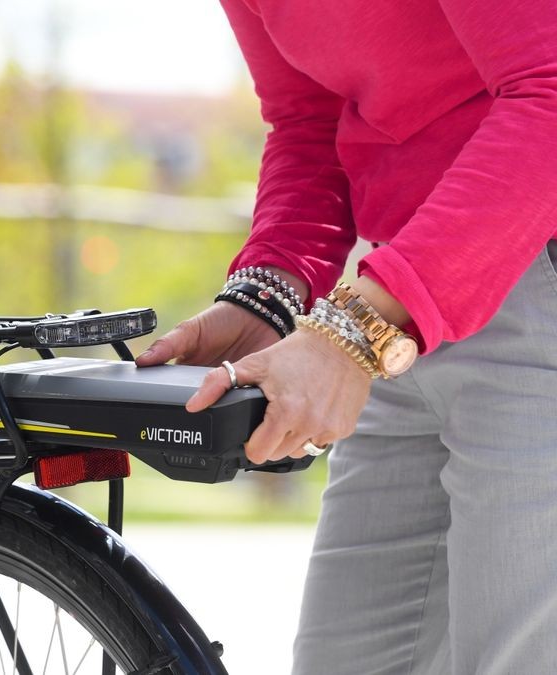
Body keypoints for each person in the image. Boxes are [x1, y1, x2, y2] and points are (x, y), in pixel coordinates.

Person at [135, 1, 557, 672]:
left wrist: (359, 326)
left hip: (520, 281)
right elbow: (309, 121)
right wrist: (267, 294)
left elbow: (550, 90)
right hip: (398, 300)